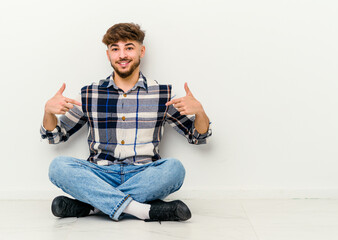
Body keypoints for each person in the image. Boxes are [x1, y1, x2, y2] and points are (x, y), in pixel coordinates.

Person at [40, 23, 211, 222]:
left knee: (174, 169)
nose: (122, 55)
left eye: (129, 47)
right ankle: (142, 210)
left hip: (143, 174)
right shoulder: (89, 93)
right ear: (108, 55)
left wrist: (200, 112)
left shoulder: (162, 93)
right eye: (115, 49)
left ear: (141, 51)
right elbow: (55, 136)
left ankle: (93, 207)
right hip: (100, 173)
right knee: (58, 167)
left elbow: (197, 137)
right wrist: (48, 112)